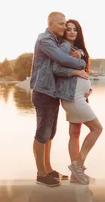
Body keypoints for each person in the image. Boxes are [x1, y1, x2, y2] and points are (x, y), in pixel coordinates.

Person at [30, 11, 89, 187]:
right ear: (50, 24)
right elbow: (61, 59)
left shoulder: (55, 40)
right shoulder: (45, 40)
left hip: (51, 92)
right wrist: (81, 63)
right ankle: (41, 174)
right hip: (43, 92)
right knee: (42, 134)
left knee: (50, 133)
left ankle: (48, 169)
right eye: (61, 24)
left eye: (65, 24)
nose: (64, 27)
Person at [54, 19, 102, 185]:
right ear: (64, 32)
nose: (72, 32)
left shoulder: (77, 49)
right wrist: (77, 70)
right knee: (97, 129)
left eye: (75, 29)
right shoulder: (64, 48)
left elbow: (82, 72)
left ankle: (76, 175)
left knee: (74, 134)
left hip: (78, 96)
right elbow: (58, 69)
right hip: (73, 98)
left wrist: (86, 89)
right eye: (68, 29)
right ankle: (78, 166)